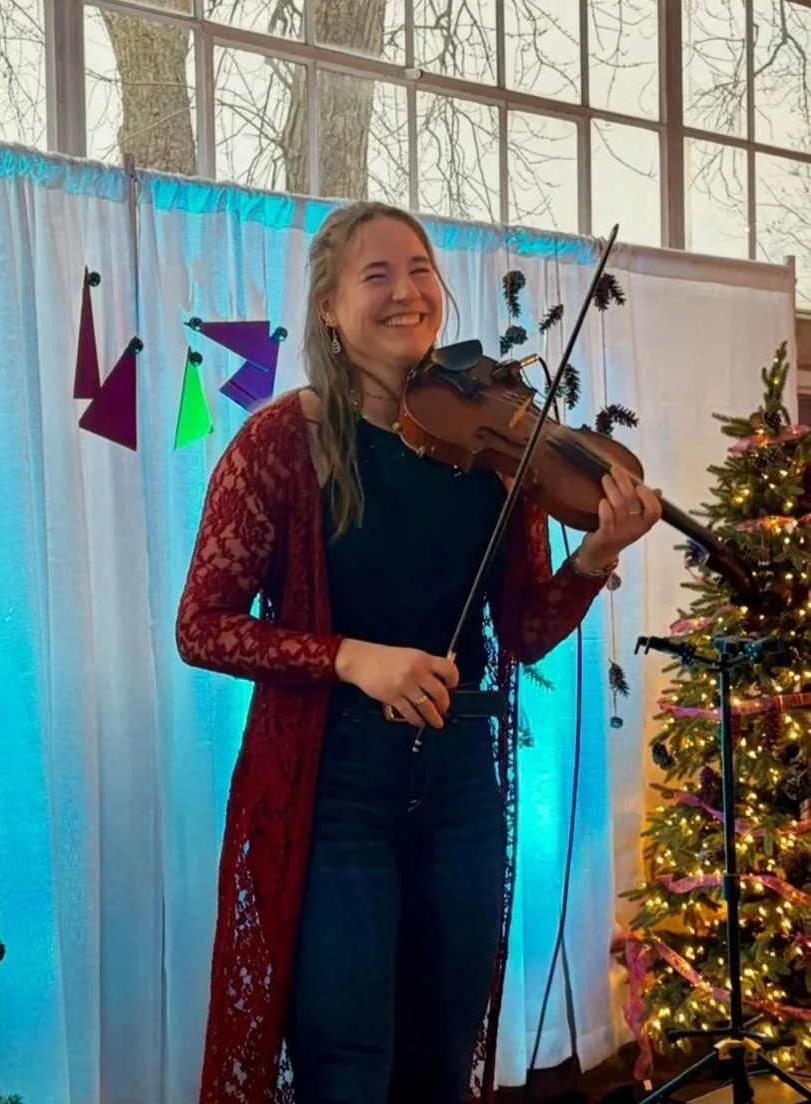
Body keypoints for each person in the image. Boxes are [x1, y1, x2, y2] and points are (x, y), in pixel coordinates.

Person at [176, 200, 661, 1104]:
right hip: (334, 785)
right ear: (328, 306)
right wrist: (353, 657)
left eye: (421, 270)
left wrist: (594, 555)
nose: (407, 293)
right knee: (348, 1066)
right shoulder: (284, 440)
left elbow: (519, 633)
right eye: (377, 275)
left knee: (440, 1061)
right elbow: (200, 623)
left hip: (461, 784)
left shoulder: (493, 447)